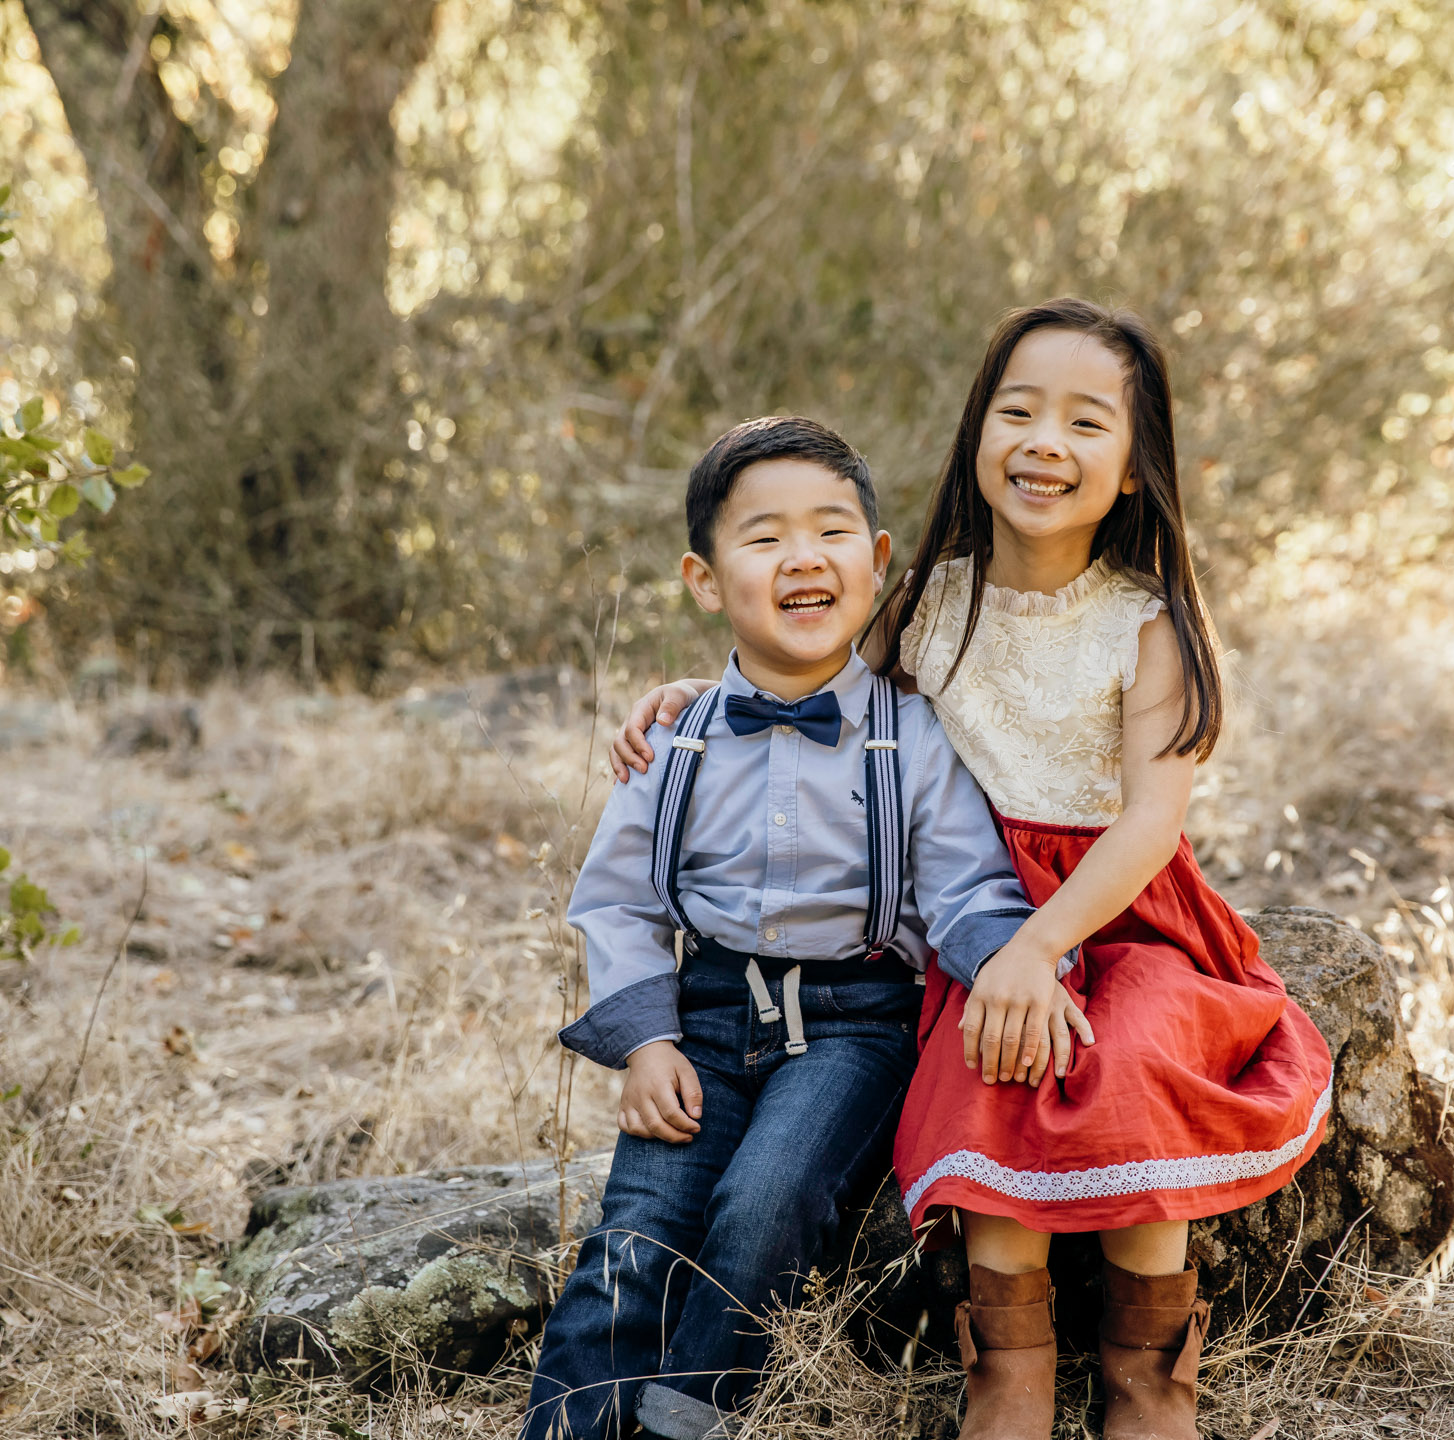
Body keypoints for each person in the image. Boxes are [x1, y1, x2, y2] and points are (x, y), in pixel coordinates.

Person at [608, 299, 1334, 1440]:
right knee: (991, 1074)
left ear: (1137, 466)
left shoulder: (1148, 624)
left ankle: (1148, 1378)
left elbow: (1150, 824)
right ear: (977, 432)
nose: (1047, 441)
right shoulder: (932, 602)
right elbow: (815, 682)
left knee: (1130, 1063)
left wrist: (1040, 948)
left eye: (1087, 422)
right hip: (973, 908)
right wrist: (700, 703)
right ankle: (1010, 1367)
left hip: (1120, 916)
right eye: (1020, 410)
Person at [528, 415, 1061, 1440]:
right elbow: (618, 902)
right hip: (703, 1013)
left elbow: (962, 884)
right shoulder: (672, 742)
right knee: (638, 1231)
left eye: (830, 531)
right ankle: (571, 1425)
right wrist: (646, 1043)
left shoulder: (914, 733)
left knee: (766, 1206)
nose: (802, 556)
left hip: (856, 1027)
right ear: (704, 578)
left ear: (875, 561)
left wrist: (1016, 960)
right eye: (764, 536)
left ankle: (685, 1423)